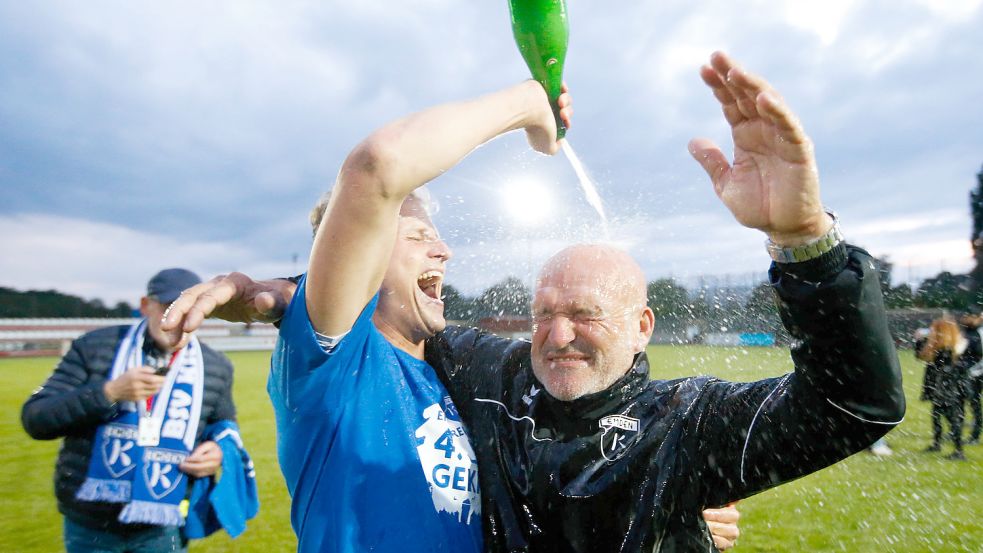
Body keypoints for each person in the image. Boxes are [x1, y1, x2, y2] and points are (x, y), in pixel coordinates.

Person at [164, 52, 905, 551]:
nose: (443, 250)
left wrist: (804, 240)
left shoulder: (474, 371)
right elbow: (375, 169)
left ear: (642, 326)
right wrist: (528, 105)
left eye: (584, 314)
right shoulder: (372, 364)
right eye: (416, 232)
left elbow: (851, 405)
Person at [22, 268, 241, 553]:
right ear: (144, 305)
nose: (180, 320)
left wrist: (218, 451)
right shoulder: (96, 347)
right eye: (169, 308)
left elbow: (224, 423)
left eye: (191, 310)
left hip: (165, 523)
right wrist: (109, 393)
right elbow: (36, 419)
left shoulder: (215, 365)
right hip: (90, 523)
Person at [917, 317, 969, 460]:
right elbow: (922, 356)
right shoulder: (952, 347)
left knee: (951, 418)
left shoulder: (948, 348)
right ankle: (938, 443)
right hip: (947, 387)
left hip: (947, 388)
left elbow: (925, 358)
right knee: (938, 415)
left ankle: (959, 451)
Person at [958, 311, 983, 444]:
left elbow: (979, 354)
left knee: (974, 405)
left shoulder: (977, 332)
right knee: (962, 403)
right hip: (968, 373)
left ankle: (975, 435)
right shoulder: (969, 331)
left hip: (975, 373)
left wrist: (971, 370)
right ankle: (957, 432)